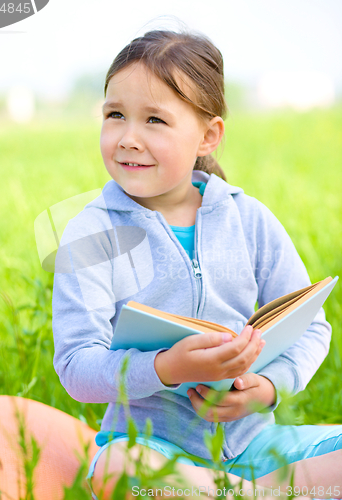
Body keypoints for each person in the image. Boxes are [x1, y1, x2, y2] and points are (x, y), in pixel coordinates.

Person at [52, 28, 342, 499]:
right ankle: (259, 493)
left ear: (208, 136)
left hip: (257, 444)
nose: (128, 138)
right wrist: (167, 367)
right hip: (149, 448)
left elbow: (312, 327)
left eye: (154, 120)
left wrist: (267, 388)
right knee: (118, 470)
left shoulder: (249, 219)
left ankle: (236, 490)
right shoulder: (91, 234)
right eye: (115, 115)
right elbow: (76, 364)